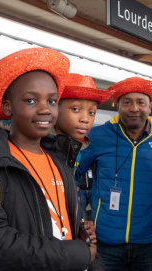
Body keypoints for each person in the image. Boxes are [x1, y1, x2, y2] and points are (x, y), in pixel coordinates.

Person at [0, 48, 100, 270]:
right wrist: (79, 253)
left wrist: (82, 234)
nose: (44, 110)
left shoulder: (60, 161)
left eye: (51, 101)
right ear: (7, 107)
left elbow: (58, 219)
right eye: (30, 100)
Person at [77, 77, 152, 271]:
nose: (134, 108)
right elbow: (71, 176)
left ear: (149, 107)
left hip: (150, 244)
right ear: (117, 106)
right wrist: (79, 219)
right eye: (127, 102)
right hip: (105, 242)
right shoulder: (97, 136)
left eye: (140, 102)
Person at [53, 73, 114, 221]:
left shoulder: (77, 151)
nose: (85, 119)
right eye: (75, 109)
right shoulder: (38, 148)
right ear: (54, 108)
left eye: (91, 112)